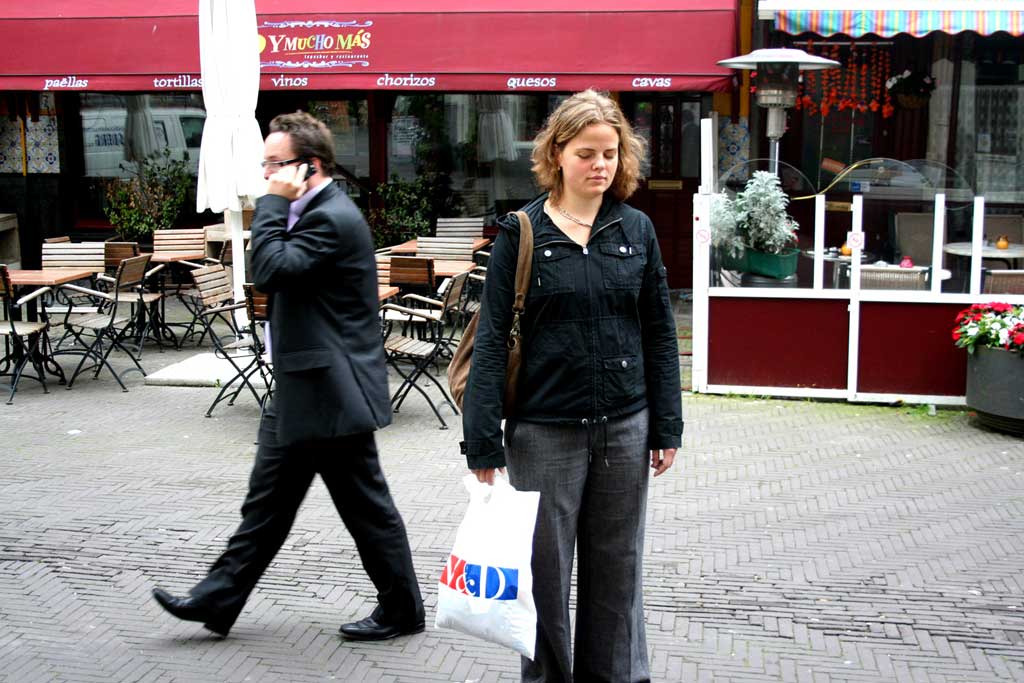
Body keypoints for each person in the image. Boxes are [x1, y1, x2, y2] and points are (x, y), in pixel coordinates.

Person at [152, 111, 424, 641]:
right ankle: (217, 598)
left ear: (310, 166)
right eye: (265, 164)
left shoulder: (330, 217)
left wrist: (272, 203)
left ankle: (402, 610)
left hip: (331, 392)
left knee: (366, 509)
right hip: (305, 385)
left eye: (276, 164)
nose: (266, 174)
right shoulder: (314, 211)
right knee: (268, 503)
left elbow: (269, 271)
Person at [461, 90, 683, 682]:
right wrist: (481, 442)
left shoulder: (635, 228)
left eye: (610, 153)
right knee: (545, 575)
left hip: (625, 427)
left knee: (618, 569)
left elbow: (660, 334)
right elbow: (491, 342)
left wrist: (667, 425)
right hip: (543, 432)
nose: (600, 165)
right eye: (587, 153)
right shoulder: (521, 233)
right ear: (556, 153)